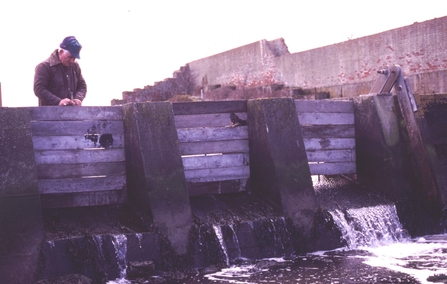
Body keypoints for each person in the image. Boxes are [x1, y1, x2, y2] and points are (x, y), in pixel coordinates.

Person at [34, 36, 87, 106]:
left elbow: (82, 86)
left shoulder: (75, 66)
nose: (72, 61)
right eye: (70, 57)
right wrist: (58, 102)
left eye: (74, 58)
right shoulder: (44, 67)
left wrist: (78, 98)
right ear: (61, 52)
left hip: (72, 115)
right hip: (49, 115)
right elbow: (39, 89)